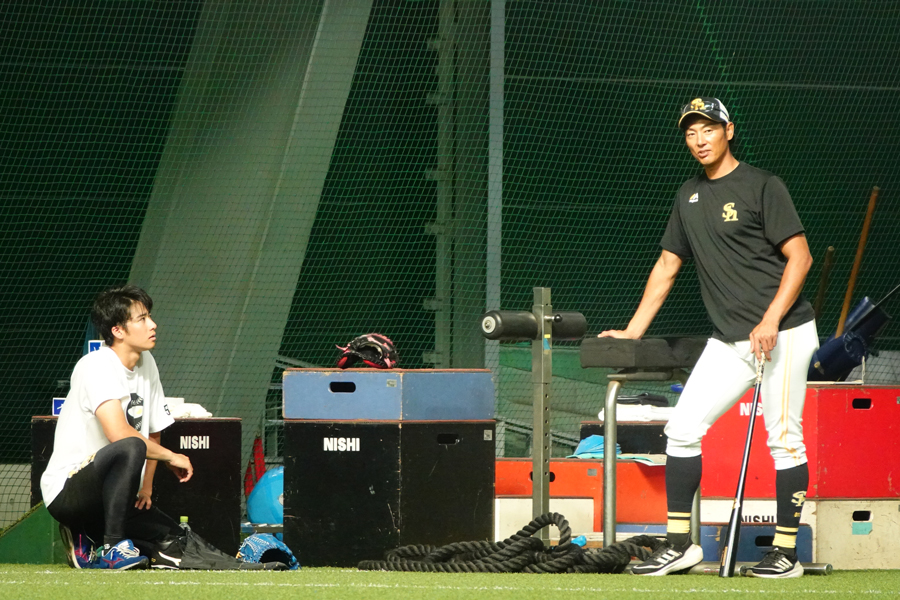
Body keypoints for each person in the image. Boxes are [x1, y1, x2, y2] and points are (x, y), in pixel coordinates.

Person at [600, 98, 817, 578]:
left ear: (728, 131)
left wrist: (771, 319)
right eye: (690, 132)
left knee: (784, 439)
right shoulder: (688, 196)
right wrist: (633, 332)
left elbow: (799, 257)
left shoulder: (763, 185)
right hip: (729, 339)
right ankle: (681, 545)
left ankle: (785, 554)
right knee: (681, 430)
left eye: (708, 129)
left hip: (784, 332)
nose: (699, 139)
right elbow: (667, 265)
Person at [40, 285, 194, 570]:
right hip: (68, 492)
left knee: (169, 536)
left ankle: (93, 536)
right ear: (118, 331)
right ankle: (110, 546)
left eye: (150, 317)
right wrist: (171, 456)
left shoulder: (148, 364)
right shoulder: (96, 365)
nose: (153, 325)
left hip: (111, 496)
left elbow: (153, 428)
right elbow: (120, 435)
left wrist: (145, 487)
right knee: (130, 444)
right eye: (142, 319)